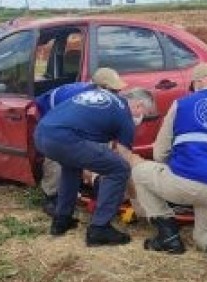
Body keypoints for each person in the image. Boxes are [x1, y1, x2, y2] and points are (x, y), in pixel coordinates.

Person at [126, 63, 207, 263]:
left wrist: (174, 168)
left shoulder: (181, 105)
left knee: (141, 172)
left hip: (185, 182)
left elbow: (160, 152)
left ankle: (168, 237)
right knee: (203, 236)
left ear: (197, 83)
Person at [34, 82, 150, 246]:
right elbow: (125, 160)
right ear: (139, 105)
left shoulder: (108, 99)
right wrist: (135, 198)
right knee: (119, 169)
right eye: (145, 113)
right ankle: (99, 228)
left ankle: (61, 220)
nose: (142, 118)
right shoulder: (125, 116)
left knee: (71, 165)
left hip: (41, 133)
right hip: (62, 137)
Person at [34, 67, 126, 215]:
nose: (117, 93)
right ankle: (51, 196)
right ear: (100, 87)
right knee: (57, 154)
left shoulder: (102, 101)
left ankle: (83, 187)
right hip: (47, 114)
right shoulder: (76, 98)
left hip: (69, 122)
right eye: (113, 90)